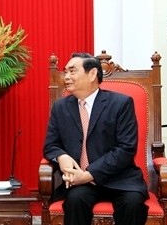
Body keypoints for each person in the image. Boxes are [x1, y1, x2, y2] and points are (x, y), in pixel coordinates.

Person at [43, 52, 149, 225]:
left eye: (72, 71)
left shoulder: (121, 104)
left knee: (132, 204)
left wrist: (90, 174)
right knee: (75, 201)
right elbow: (51, 145)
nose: (66, 77)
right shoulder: (60, 107)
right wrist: (61, 156)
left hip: (120, 179)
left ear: (92, 74)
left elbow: (126, 148)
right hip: (81, 184)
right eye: (65, 72)